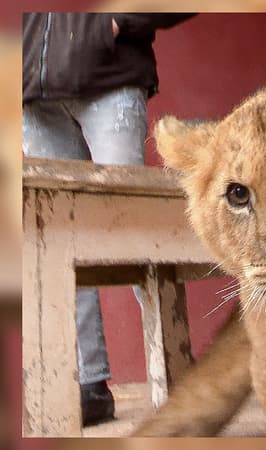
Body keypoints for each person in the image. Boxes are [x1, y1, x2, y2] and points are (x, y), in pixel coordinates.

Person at [22, 12, 195, 426]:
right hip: (27, 90)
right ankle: (90, 387)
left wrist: (113, 22)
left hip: (110, 80)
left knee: (136, 233)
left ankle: (182, 379)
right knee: (62, 241)